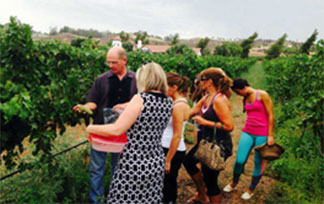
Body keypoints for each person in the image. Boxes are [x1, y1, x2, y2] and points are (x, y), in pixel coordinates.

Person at [86, 62, 173, 203]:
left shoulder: (140, 99)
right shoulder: (168, 102)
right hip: (156, 159)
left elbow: (116, 129)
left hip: (134, 162)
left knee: (125, 198)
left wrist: (91, 128)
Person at [73, 47, 137, 203]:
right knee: (96, 169)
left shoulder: (136, 80)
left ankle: (116, 198)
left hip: (124, 132)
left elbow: (141, 102)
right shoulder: (101, 79)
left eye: (114, 62)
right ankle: (97, 200)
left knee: (120, 168)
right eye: (108, 62)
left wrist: (127, 105)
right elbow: (93, 101)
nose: (111, 66)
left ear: (124, 61)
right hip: (101, 130)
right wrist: (85, 107)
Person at [184, 67, 234, 204]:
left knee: (211, 181)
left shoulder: (219, 100)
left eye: (202, 80)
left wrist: (205, 122)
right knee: (188, 161)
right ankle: (201, 193)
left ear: (209, 82)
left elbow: (229, 126)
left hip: (219, 145)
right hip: (207, 142)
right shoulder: (206, 97)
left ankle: (205, 195)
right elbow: (190, 112)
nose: (200, 83)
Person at [223, 78, 275, 200]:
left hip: (262, 133)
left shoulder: (262, 95)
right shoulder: (245, 98)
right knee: (240, 160)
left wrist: (270, 135)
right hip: (248, 131)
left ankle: (251, 189)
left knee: (258, 162)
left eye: (237, 92)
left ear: (241, 88)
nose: (237, 94)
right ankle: (233, 183)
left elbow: (270, 115)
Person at [161, 72, 191, 203]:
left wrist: (168, 160)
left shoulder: (179, 107)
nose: (163, 89)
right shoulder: (176, 103)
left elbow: (177, 135)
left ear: (174, 88)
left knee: (169, 182)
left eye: (165, 86)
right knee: (166, 182)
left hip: (172, 149)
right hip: (169, 147)